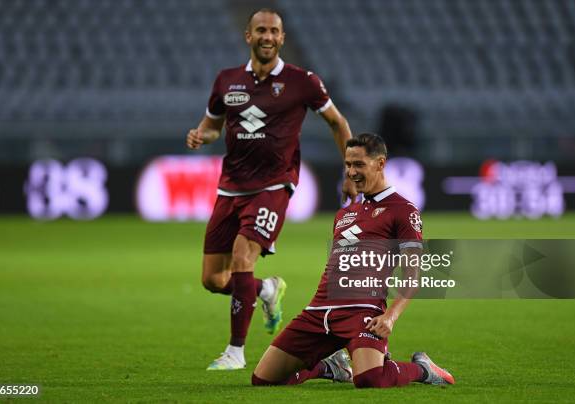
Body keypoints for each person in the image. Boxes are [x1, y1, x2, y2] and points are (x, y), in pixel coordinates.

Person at [186, 8, 356, 370]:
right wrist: (203, 135)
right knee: (214, 279)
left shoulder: (303, 82)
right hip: (231, 185)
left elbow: (337, 123)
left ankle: (235, 352)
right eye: (260, 30)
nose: (267, 37)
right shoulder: (227, 81)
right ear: (248, 36)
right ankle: (265, 289)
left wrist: (352, 170)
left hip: (274, 184)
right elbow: (214, 125)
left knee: (242, 256)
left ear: (281, 38)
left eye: (274, 31)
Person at [252, 133, 455, 388]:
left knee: (369, 379)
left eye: (359, 164)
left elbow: (413, 276)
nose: (351, 171)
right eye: (348, 165)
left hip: (362, 312)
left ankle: (421, 369)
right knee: (263, 379)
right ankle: (330, 367)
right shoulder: (345, 214)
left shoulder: (403, 210)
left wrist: (390, 317)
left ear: (380, 164)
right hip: (319, 312)